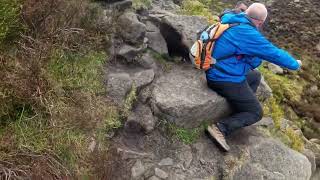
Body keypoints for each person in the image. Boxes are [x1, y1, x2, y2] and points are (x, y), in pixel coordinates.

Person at [206, 3, 301, 151]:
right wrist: (295, 64)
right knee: (256, 113)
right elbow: (273, 53)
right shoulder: (248, 34)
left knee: (255, 76)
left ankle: (240, 108)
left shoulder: (232, 18)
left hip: (216, 66)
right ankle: (220, 127)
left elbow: (227, 12)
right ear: (261, 22)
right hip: (222, 77)